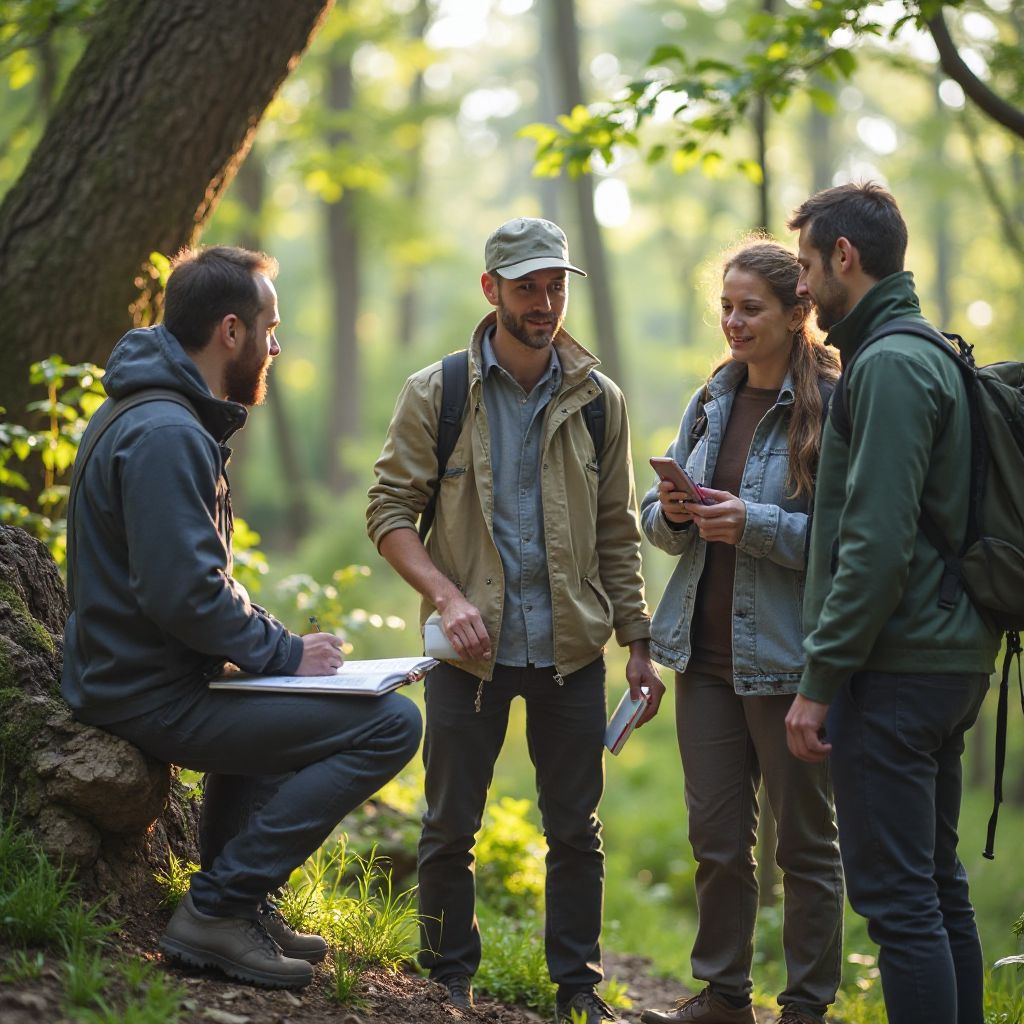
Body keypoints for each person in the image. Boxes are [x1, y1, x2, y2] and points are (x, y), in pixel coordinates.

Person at [62, 246, 422, 990]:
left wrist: (279, 653)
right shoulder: (166, 433)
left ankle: (242, 900)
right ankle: (217, 909)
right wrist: (286, 654)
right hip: (145, 692)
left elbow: (194, 584)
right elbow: (186, 597)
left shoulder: (162, 415)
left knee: (293, 693)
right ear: (231, 331)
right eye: (270, 327)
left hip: (144, 674)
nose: (276, 346)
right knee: (391, 724)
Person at [366, 217, 664, 1024]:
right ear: (491, 289)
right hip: (469, 654)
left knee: (575, 830)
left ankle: (578, 989)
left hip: (572, 649)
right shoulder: (437, 392)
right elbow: (389, 511)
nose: (544, 302)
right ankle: (446, 982)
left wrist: (638, 642)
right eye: (527, 287)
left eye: (555, 286)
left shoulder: (600, 402)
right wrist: (448, 597)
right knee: (448, 826)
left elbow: (616, 533)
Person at [783, 183, 1000, 1024]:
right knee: (936, 889)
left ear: (845, 256)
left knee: (901, 904)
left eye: (807, 266)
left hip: (899, 667)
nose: (803, 287)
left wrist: (819, 681)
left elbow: (873, 547)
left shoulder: (890, 366)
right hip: (942, 657)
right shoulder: (924, 351)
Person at [637, 240, 844, 1024]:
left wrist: (752, 524)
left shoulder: (836, 403)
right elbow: (657, 522)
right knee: (718, 842)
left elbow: (847, 542)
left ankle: (806, 1007)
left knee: (805, 847)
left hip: (791, 664)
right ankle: (724, 996)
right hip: (704, 660)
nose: (733, 321)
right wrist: (673, 512)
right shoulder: (711, 398)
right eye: (726, 306)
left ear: (797, 311)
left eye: (751, 308)